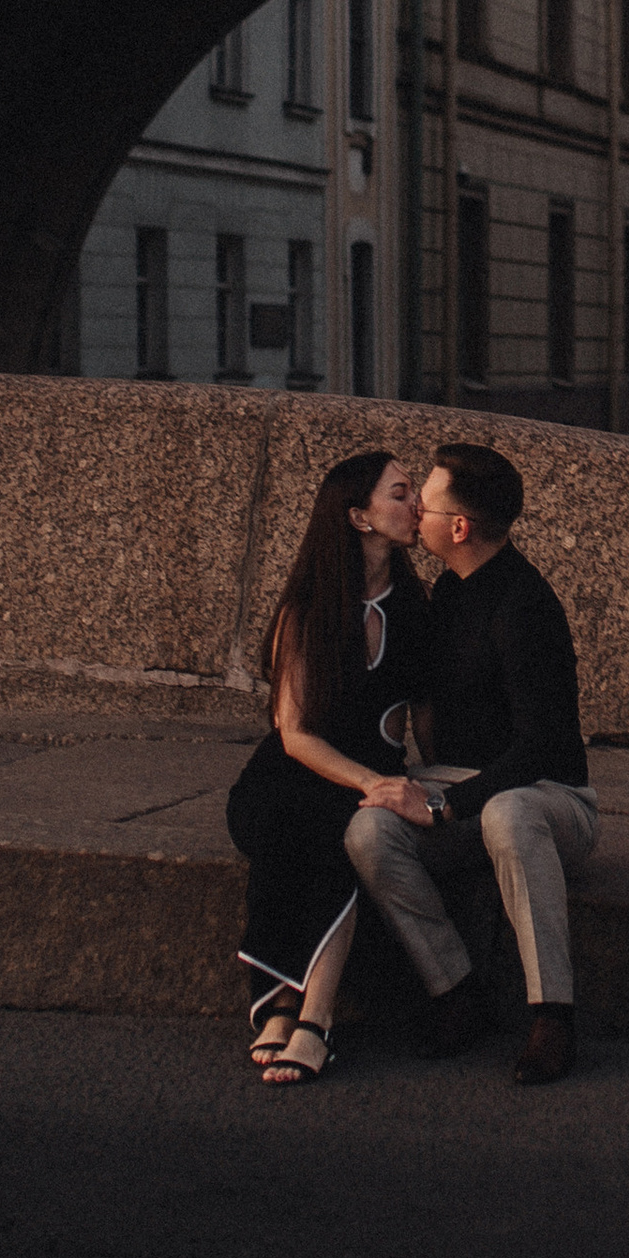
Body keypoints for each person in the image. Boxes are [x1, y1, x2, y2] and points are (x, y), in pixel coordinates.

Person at [344, 439, 597, 1086]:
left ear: (459, 527)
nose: (414, 513)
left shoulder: (525, 607)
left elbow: (543, 745)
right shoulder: (448, 594)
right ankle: (456, 990)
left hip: (548, 796)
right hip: (464, 791)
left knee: (509, 815)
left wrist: (446, 804)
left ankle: (552, 1016)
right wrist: (410, 789)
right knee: (368, 829)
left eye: (423, 504)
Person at [226, 447, 432, 1085]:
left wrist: (437, 788)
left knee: (345, 825)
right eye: (399, 493)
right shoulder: (310, 607)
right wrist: (372, 780)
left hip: (363, 781)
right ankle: (303, 1013)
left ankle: (299, 1012)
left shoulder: (416, 607)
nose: (416, 503)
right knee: (310, 818)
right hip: (288, 776)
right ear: (360, 518)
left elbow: (426, 723)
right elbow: (293, 735)